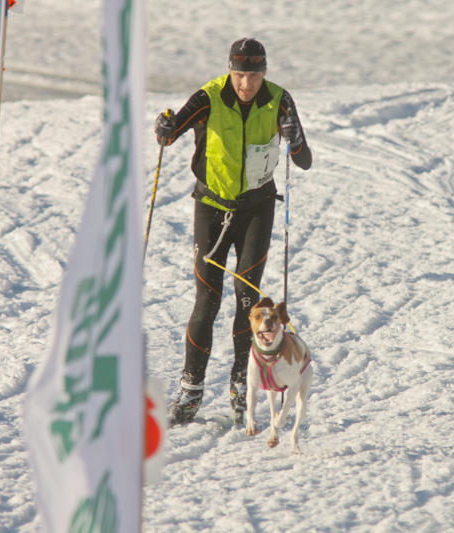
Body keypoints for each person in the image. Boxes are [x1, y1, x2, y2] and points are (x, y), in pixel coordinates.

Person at [153, 38, 312, 424]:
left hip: (257, 209)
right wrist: (164, 126)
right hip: (211, 208)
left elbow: (304, 160)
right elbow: (168, 136)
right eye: (240, 75)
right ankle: (191, 390)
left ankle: (243, 382)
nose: (246, 84)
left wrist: (294, 137)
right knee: (207, 300)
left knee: (246, 298)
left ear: (264, 74)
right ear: (230, 71)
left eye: (254, 76)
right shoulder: (209, 97)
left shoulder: (279, 100)